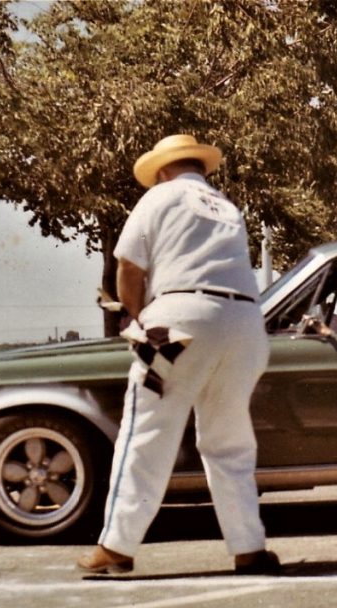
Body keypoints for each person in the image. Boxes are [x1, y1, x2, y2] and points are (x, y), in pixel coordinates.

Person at [77, 134, 280, 575]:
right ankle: (249, 548)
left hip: (183, 320)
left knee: (146, 431)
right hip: (245, 325)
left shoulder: (160, 196)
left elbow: (128, 267)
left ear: (164, 169)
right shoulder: (227, 208)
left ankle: (115, 546)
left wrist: (135, 317)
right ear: (199, 168)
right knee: (229, 440)